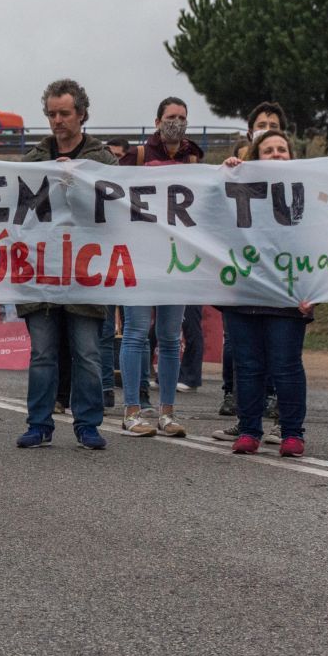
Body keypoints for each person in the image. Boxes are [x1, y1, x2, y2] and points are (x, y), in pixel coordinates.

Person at [14, 79, 115, 450]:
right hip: (41, 273)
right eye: (51, 114)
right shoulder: (33, 159)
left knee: (87, 352)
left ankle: (87, 425)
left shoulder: (103, 160)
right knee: (42, 354)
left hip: (85, 273)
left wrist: (78, 181)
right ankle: (39, 424)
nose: (57, 120)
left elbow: (115, 213)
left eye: (64, 113)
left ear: (82, 114)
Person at [217, 131, 312, 456]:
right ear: (256, 157)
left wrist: (316, 291)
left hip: (288, 293)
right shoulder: (237, 188)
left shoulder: (306, 191)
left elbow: (320, 244)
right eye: (268, 150)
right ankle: (249, 430)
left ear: (291, 156)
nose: (276, 155)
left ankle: (292, 433)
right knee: (248, 366)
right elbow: (206, 214)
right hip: (244, 292)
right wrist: (228, 173)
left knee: (286, 365)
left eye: (282, 150)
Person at [116, 97, 203, 437]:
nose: (176, 122)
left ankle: (167, 413)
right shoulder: (136, 156)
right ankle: (132, 411)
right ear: (157, 121)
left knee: (169, 338)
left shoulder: (195, 157)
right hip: (140, 255)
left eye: (182, 117)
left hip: (176, 259)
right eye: (170, 116)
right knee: (136, 334)